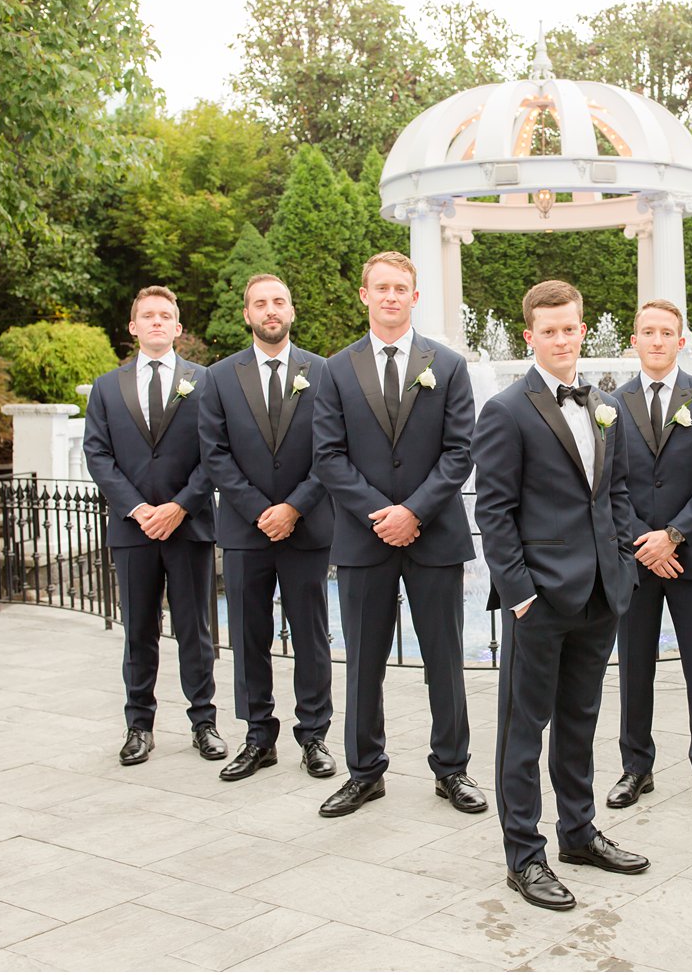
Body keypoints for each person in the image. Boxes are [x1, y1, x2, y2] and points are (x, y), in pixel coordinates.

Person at [473, 280, 648, 912]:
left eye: (570, 328)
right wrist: (520, 595)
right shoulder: (506, 410)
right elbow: (493, 511)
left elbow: (618, 491)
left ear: (581, 329)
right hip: (540, 601)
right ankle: (524, 855)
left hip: (602, 593)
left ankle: (577, 833)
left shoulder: (605, 403)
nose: (562, 339)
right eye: (549, 330)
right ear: (530, 336)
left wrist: (623, 562)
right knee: (524, 731)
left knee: (580, 722)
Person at [312, 251, 487, 817]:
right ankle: (364, 772)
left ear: (415, 297)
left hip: (434, 534)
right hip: (365, 540)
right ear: (364, 295)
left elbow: (461, 451)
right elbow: (329, 456)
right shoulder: (336, 370)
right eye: (381, 287)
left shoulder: (450, 365)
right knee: (363, 660)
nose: (391, 296)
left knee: (444, 658)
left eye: (401, 288)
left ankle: (452, 770)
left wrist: (414, 511)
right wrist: (380, 514)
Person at [197, 273, 337, 782]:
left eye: (279, 301)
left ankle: (314, 735)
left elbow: (331, 451)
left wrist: (294, 507)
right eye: (260, 303)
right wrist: (261, 510)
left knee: (312, 635)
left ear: (292, 310)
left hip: (308, 527)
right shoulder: (217, 378)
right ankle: (258, 735)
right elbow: (214, 453)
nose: (270, 310)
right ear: (247, 314)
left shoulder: (324, 373)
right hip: (244, 529)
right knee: (248, 636)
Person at [83, 285, 224, 766]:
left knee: (195, 630)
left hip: (189, 526)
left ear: (178, 328)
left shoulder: (206, 383)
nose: (157, 322)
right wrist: (138, 509)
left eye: (166, 315)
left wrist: (180, 506)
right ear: (133, 326)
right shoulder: (106, 387)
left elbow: (215, 453)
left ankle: (204, 722)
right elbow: (97, 454)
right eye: (148, 315)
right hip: (133, 530)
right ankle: (138, 725)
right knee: (138, 630)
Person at [607, 300, 692, 814]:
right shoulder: (609, 404)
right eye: (647, 332)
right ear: (634, 341)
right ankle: (636, 767)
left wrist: (675, 534)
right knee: (635, 666)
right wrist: (646, 540)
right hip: (636, 561)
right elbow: (608, 486)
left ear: (681, 341)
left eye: (667, 333)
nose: (657, 341)